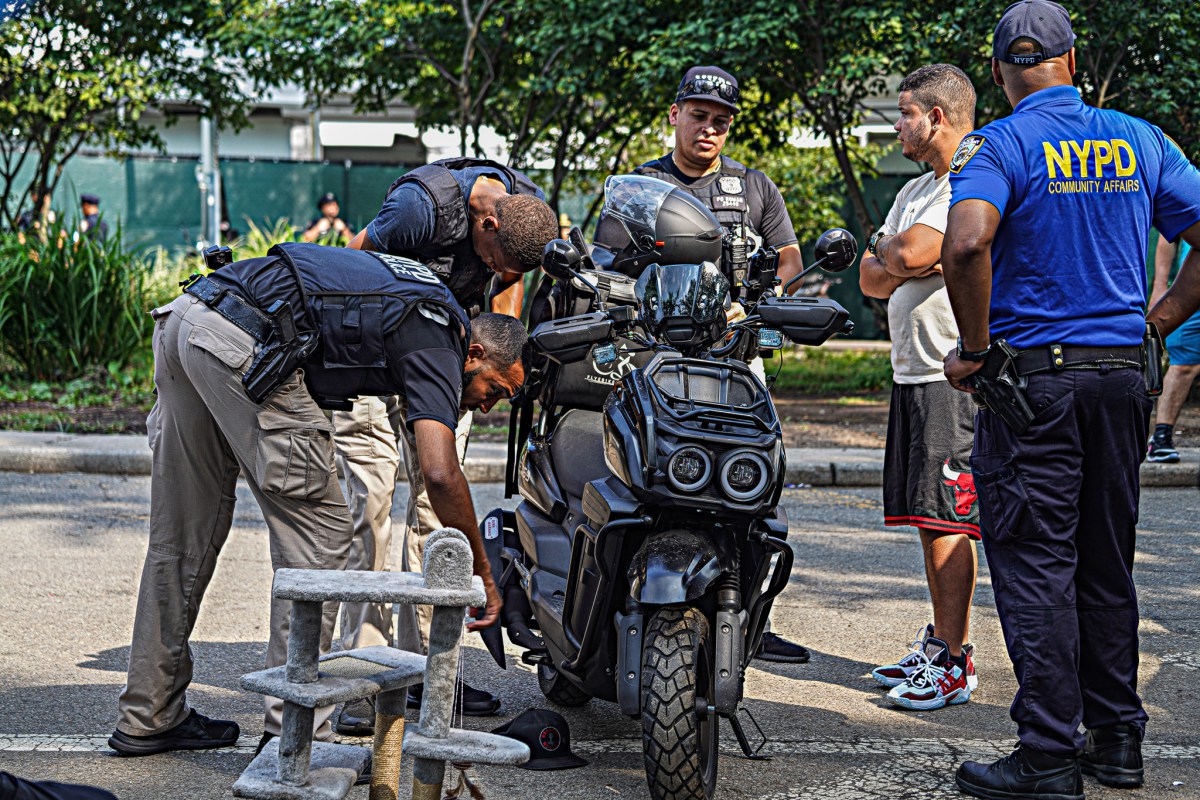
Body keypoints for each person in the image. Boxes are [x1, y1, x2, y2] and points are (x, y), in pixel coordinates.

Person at [108, 242, 527, 756]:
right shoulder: (443, 340)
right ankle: (295, 735)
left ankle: (148, 714)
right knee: (323, 540)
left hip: (191, 318)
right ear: (477, 354)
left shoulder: (422, 302)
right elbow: (441, 474)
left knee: (181, 539)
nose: (488, 407)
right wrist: (483, 574)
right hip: (246, 342)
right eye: (497, 390)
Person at [940, 2, 1200, 797]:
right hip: (1124, 377)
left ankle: (1049, 751)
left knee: (1037, 561)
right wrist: (1161, 319)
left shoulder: (1000, 143)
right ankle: (1117, 741)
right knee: (1104, 558)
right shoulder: (1141, 137)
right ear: (1072, 60)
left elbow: (967, 241)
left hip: (1035, 385)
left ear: (997, 73)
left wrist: (976, 351)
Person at [333, 158, 558, 734]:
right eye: (491, 262)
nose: (492, 272)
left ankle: (431, 674)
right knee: (371, 508)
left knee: (439, 519)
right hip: (371, 362)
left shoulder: (523, 214)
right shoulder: (421, 209)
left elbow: (506, 293)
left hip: (448, 366)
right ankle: (361, 676)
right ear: (485, 228)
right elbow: (352, 266)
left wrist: (494, 359)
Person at [634, 65, 810, 664]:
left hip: (736, 357)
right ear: (675, 115)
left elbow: (788, 255)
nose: (709, 129)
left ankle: (750, 614)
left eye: (721, 121)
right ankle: (637, 597)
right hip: (655, 359)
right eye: (699, 115)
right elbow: (610, 259)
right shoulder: (644, 186)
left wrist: (764, 299)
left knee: (755, 481)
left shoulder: (754, 187)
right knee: (646, 474)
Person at [859, 64, 980, 711]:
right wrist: (896, 254)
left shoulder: (970, 174)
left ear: (935, 116)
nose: (897, 123)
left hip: (949, 375)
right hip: (912, 372)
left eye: (904, 112)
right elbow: (871, 275)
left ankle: (956, 664)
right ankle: (940, 641)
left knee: (948, 519)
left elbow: (902, 260)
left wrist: (899, 255)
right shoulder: (917, 190)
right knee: (925, 519)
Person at [1146, 235, 1197, 462]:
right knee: (1183, 363)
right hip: (1193, 288)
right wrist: (1159, 286)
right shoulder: (1191, 198)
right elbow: (1168, 238)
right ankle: (1161, 437)